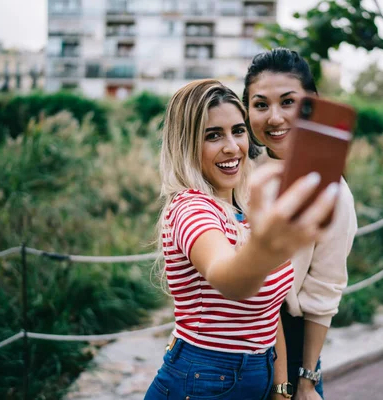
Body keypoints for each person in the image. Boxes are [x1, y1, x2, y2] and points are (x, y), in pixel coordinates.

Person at [144, 79, 340, 400]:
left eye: (238, 130)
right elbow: (230, 280)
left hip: (253, 376)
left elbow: (268, 311)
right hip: (203, 380)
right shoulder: (191, 208)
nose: (233, 147)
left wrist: (279, 387)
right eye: (212, 135)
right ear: (185, 144)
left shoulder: (242, 207)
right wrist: (266, 246)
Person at [243, 49, 358, 400]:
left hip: (290, 348)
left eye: (288, 102)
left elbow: (324, 290)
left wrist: (305, 382)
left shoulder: (330, 192)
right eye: (260, 105)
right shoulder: (238, 168)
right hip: (229, 346)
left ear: (311, 105)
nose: (274, 117)